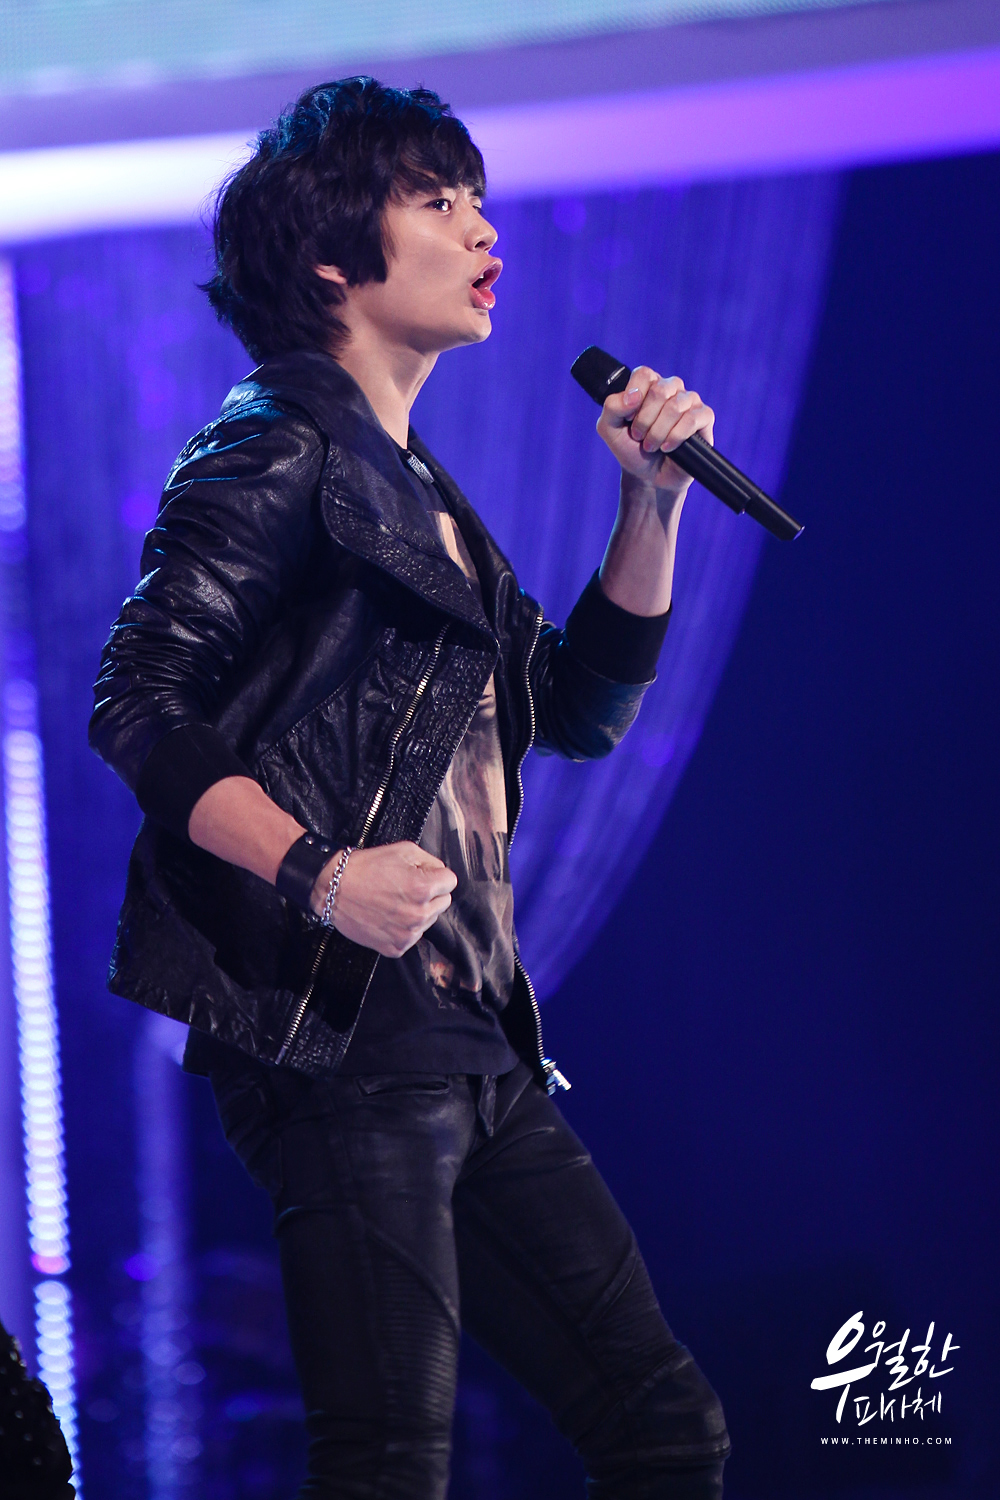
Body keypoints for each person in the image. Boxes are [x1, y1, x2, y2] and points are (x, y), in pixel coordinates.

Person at [90, 77, 731, 1498]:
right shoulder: (276, 445)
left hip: (474, 1037)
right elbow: (138, 702)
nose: (482, 229)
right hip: (343, 1035)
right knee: (390, 1460)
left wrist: (650, 501)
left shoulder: (421, 490)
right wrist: (320, 873)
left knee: (666, 1426)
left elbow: (577, 709)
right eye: (437, 201)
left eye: (478, 198)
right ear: (333, 259)